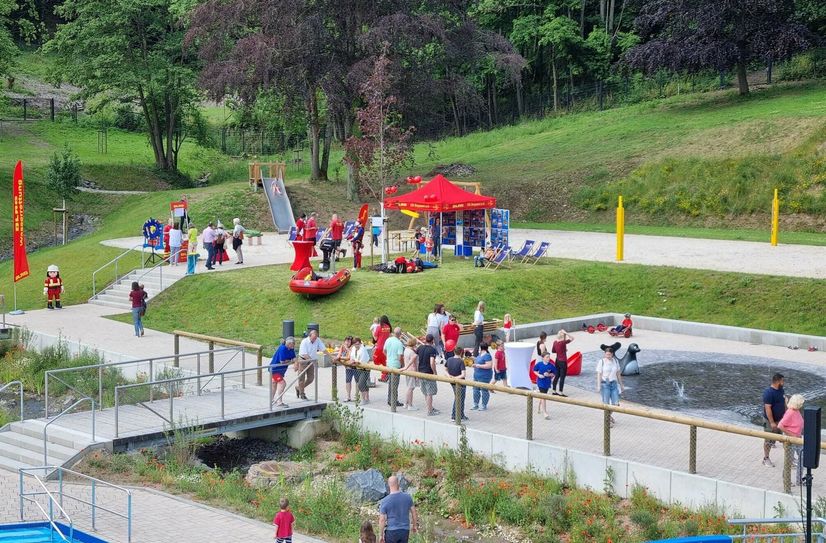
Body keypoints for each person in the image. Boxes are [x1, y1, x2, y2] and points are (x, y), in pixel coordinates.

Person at [378, 475, 418, 543]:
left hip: (391, 532)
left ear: (388, 485)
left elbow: (382, 520)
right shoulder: (408, 497)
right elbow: (414, 512)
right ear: (398, 483)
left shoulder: (384, 501)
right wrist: (414, 525)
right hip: (404, 531)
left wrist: (381, 535)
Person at [778, 393, 805, 485]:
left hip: (798, 439)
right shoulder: (790, 412)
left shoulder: (796, 411)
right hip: (790, 440)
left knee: (802, 459)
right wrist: (792, 435)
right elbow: (780, 425)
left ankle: (799, 480)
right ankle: (787, 481)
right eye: (801, 403)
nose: (802, 405)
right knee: (788, 461)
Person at [762, 373, 786, 467]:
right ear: (778, 381)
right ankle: (766, 458)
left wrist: (785, 417)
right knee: (768, 440)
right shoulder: (768, 393)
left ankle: (790, 459)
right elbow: (768, 408)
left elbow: (783, 403)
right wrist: (772, 422)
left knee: (783, 438)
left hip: (780, 420)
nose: (783, 383)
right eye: (782, 381)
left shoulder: (781, 390)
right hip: (770, 421)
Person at [596, 344, 624, 425]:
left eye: (609, 354)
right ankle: (607, 422)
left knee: (616, 403)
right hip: (605, 384)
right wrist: (598, 385)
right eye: (606, 354)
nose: (607, 356)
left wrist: (621, 385)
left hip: (614, 384)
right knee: (606, 403)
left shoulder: (615, 361)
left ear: (612, 354)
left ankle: (608, 416)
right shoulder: (601, 362)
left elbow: (618, 373)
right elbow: (599, 374)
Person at [297, 329, 325, 400]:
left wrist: (331, 357)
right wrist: (313, 362)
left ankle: (299, 388)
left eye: (315, 338)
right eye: (313, 338)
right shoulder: (304, 342)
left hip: (311, 360)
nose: (314, 340)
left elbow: (323, 349)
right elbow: (305, 354)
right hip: (303, 360)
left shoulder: (317, 340)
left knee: (311, 379)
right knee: (301, 378)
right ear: (309, 336)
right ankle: (302, 394)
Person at [417, 334, 439, 416]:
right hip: (428, 373)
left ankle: (430, 407)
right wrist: (435, 372)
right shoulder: (432, 350)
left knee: (425, 392)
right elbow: (432, 362)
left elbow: (417, 359)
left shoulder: (420, 348)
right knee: (430, 393)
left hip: (420, 372)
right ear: (432, 341)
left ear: (425, 340)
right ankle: (430, 411)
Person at [270, 337, 296, 406]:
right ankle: (279, 402)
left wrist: (292, 361)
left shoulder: (291, 348)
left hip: (281, 371)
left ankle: (271, 400)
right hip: (275, 370)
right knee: (282, 383)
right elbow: (282, 361)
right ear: (289, 344)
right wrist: (291, 361)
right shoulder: (282, 348)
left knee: (274, 384)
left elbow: (294, 358)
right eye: (293, 344)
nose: (294, 346)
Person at [384, 327, 406, 407]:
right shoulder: (399, 343)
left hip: (389, 364)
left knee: (391, 383)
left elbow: (384, 351)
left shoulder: (388, 340)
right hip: (396, 365)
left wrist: (388, 357)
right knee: (395, 384)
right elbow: (400, 357)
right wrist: (403, 365)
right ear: (400, 334)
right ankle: (393, 401)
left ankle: (389, 399)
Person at [445, 349, 468, 422]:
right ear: (461, 353)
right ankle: (456, 415)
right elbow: (463, 374)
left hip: (452, 382)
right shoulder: (461, 361)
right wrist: (456, 378)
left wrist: (450, 376)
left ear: (454, 352)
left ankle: (459, 415)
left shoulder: (449, 359)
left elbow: (445, 369)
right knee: (460, 398)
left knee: (457, 397)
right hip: (460, 382)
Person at [534, 353, 557, 420]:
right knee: (544, 396)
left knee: (543, 396)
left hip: (547, 383)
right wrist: (539, 375)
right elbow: (534, 370)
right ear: (543, 358)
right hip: (540, 382)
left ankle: (539, 407)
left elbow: (554, 374)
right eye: (547, 357)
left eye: (549, 357)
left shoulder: (551, 365)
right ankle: (545, 413)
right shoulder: (539, 364)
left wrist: (549, 375)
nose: (548, 358)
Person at [551, 329, 574, 397]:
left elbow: (553, 351)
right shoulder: (563, 342)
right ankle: (560, 392)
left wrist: (561, 350)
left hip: (557, 360)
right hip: (563, 361)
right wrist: (566, 333)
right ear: (563, 336)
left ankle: (554, 390)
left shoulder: (555, 342)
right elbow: (572, 338)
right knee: (562, 377)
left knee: (557, 375)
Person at [471, 343, 493, 411]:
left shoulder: (487, 355)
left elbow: (489, 365)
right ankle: (476, 404)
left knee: (484, 390)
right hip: (476, 375)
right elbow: (478, 361)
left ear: (481, 348)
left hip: (484, 376)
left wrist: (478, 365)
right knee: (475, 390)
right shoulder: (480, 354)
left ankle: (484, 405)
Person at [350, 337, 371, 404]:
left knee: (360, 384)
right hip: (358, 368)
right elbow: (352, 357)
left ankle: (363, 399)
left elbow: (362, 361)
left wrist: (354, 362)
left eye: (358, 344)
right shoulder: (353, 348)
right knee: (364, 383)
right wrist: (352, 360)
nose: (357, 345)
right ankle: (367, 398)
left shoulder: (363, 349)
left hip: (365, 369)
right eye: (355, 344)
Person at [373, 316, 392, 382]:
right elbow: (389, 336)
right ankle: (385, 375)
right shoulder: (388, 327)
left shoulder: (379, 327)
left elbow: (375, 338)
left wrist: (373, 332)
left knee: (376, 361)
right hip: (386, 347)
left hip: (379, 347)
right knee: (384, 362)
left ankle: (384, 375)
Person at [402, 338, 419, 411]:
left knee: (409, 387)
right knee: (411, 388)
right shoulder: (412, 353)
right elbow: (414, 365)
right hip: (412, 371)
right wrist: (416, 374)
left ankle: (406, 403)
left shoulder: (406, 350)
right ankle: (410, 405)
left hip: (407, 370)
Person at [337, 337, 355, 402]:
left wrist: (341, 357)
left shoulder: (352, 347)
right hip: (348, 367)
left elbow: (349, 357)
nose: (347, 343)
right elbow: (339, 355)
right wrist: (338, 357)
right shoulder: (342, 346)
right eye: (346, 341)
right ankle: (348, 396)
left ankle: (357, 396)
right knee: (348, 381)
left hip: (355, 367)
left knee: (357, 381)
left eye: (349, 342)